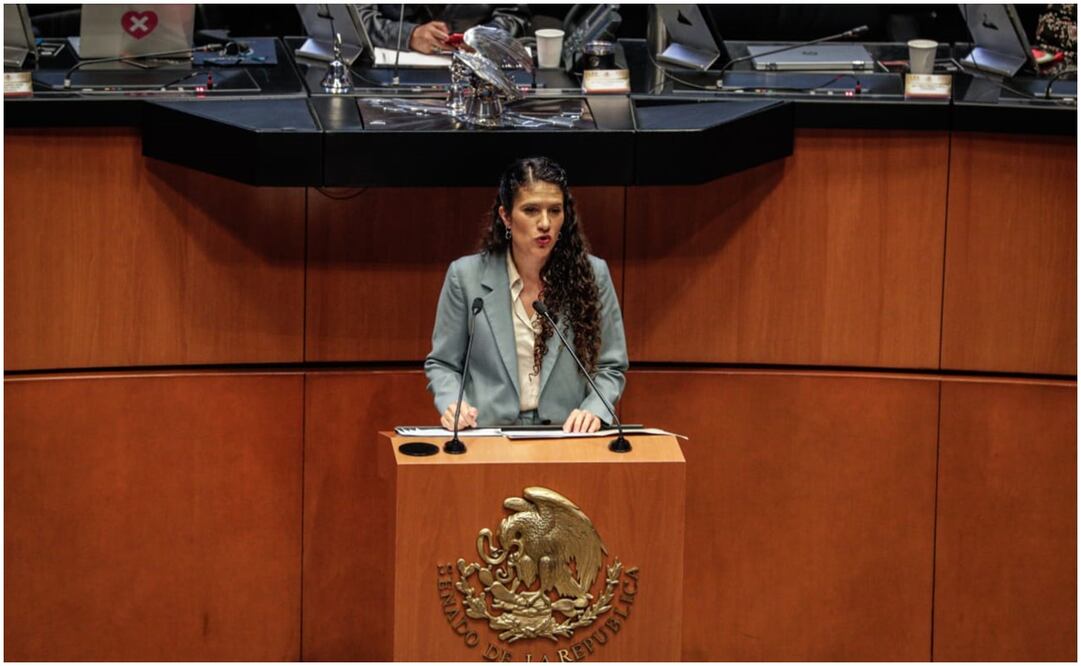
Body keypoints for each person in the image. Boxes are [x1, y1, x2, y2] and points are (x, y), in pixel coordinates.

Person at [425, 157, 628, 433]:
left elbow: (611, 365)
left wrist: (594, 409)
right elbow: (443, 363)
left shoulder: (593, 274)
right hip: (488, 433)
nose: (545, 223)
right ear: (506, 216)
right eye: (531, 210)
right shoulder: (465, 277)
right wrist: (452, 403)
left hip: (566, 434)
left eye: (555, 211)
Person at [356, 5, 530, 55]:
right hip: (393, 72)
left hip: (478, 71)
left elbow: (514, 15)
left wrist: (488, 35)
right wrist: (409, 35)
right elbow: (357, 18)